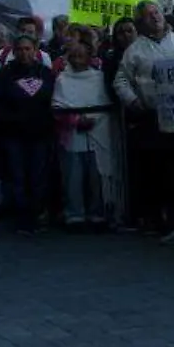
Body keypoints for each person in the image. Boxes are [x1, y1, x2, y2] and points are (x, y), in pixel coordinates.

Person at [112, 1, 174, 241]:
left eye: (156, 12)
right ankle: (166, 223)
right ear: (141, 23)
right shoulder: (135, 50)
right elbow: (121, 81)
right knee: (161, 171)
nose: (154, 17)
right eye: (148, 16)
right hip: (153, 117)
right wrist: (133, 101)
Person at [0, 34, 56, 236]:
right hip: (14, 135)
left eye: (28, 49)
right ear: (14, 51)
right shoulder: (5, 74)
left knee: (37, 176)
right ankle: (22, 217)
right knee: (17, 177)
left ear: (35, 50)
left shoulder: (45, 73)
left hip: (40, 134)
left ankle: (36, 214)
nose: (24, 53)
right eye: (20, 49)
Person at [53, 40, 112, 230]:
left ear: (89, 57)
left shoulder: (99, 77)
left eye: (82, 56)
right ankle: (75, 214)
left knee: (97, 176)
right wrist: (77, 121)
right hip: (73, 134)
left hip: (97, 131)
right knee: (73, 176)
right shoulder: (62, 79)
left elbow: (104, 102)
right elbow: (58, 105)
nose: (78, 60)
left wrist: (93, 119)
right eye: (74, 56)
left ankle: (97, 213)